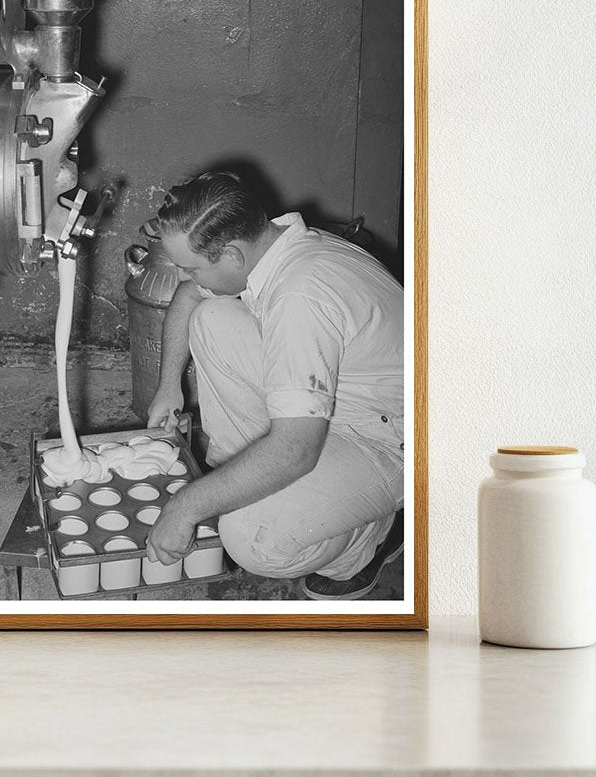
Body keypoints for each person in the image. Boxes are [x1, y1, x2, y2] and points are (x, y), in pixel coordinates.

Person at [144, 171, 405, 600]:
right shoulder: (279, 245)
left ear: (231, 255)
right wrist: (169, 384)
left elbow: (295, 451)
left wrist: (185, 507)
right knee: (212, 318)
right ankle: (243, 485)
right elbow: (191, 296)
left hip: (389, 436)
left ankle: (370, 537)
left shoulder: (299, 298)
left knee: (252, 541)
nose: (186, 277)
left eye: (190, 266)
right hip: (343, 395)